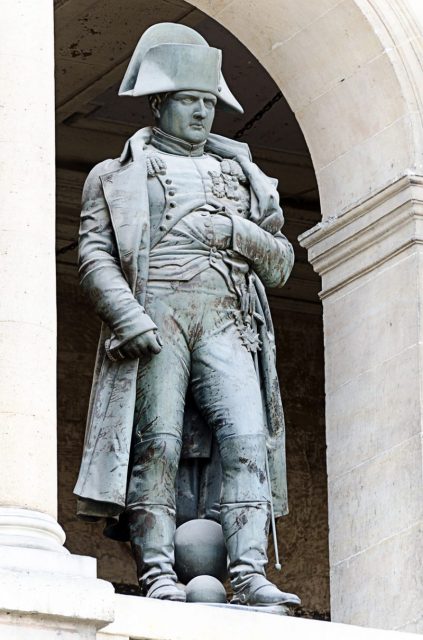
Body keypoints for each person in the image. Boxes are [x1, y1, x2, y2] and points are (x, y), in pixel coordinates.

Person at [74, 22, 300, 608]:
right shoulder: (115, 175)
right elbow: (95, 255)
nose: (202, 113)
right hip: (157, 314)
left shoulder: (245, 178)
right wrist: (128, 317)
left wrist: (236, 231)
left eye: (208, 102)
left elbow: (280, 264)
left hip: (228, 317)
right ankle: (156, 571)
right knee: (158, 444)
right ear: (159, 104)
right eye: (189, 101)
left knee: (247, 440)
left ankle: (249, 572)